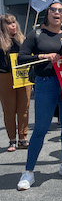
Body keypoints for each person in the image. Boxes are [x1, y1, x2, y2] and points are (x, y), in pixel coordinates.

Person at [17, 1, 62, 190]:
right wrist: (43, 57)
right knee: (41, 128)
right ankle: (28, 171)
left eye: (61, 10)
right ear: (48, 13)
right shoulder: (36, 34)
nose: (57, 13)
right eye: (54, 10)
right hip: (46, 83)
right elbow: (21, 58)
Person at [0, 14, 30, 152]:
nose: (13, 25)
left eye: (14, 22)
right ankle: (12, 139)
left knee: (24, 108)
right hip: (5, 76)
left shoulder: (23, 39)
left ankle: (23, 138)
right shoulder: (1, 42)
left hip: (23, 76)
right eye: (9, 23)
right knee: (9, 110)